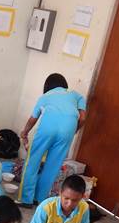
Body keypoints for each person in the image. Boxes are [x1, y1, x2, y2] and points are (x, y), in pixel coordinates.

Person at [17, 73, 86, 207]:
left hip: (47, 129)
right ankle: (40, 199)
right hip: (68, 131)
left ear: (47, 86)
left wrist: (25, 132)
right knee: (52, 166)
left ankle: (26, 199)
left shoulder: (45, 96)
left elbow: (33, 118)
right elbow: (82, 118)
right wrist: (74, 131)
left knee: (32, 162)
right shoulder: (77, 95)